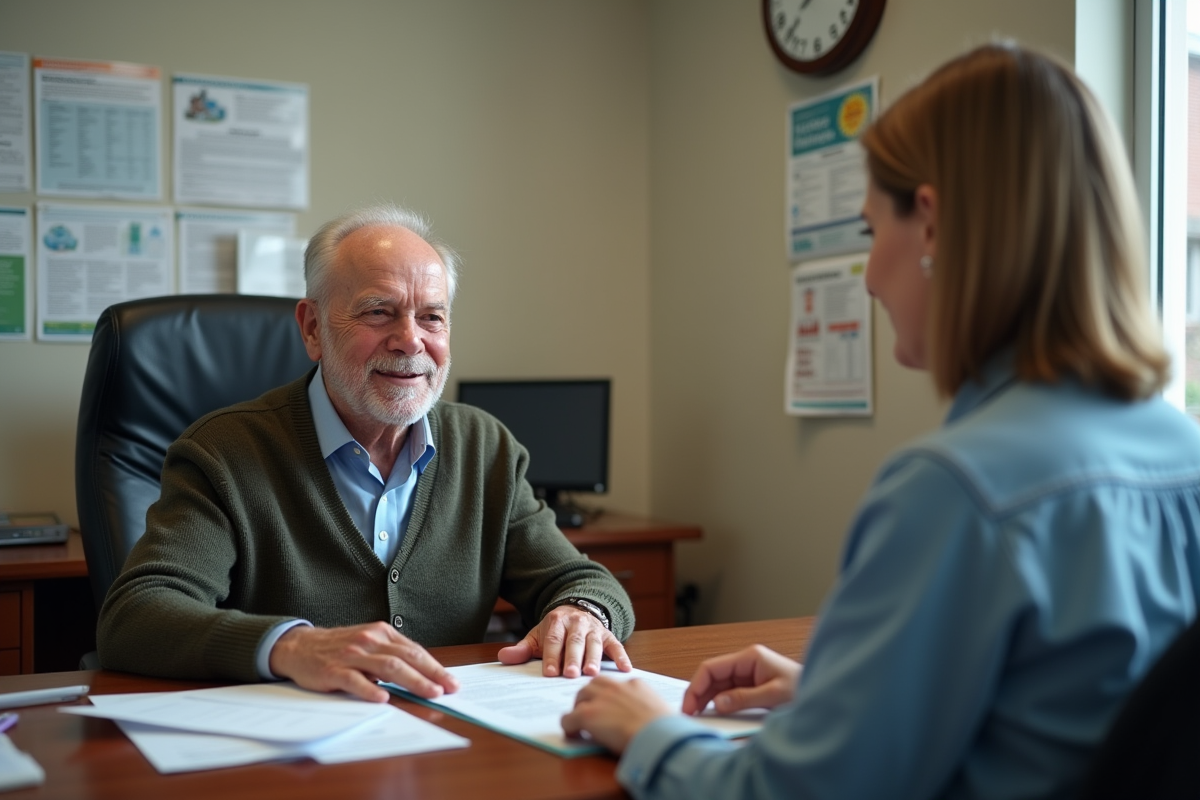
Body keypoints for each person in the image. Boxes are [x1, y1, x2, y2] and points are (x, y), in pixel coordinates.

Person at [560, 42, 1200, 799]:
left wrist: (649, 731)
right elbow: (1077, 717)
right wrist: (832, 694)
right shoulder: (1183, 453)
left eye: (869, 231)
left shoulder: (958, 490)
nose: (867, 276)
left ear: (929, 226)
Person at [97, 203, 634, 703]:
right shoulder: (224, 452)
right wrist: (291, 646)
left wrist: (582, 613)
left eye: (432, 317)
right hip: (293, 753)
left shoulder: (484, 447)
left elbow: (579, 580)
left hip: (447, 743)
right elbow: (137, 615)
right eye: (379, 312)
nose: (410, 340)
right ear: (313, 328)